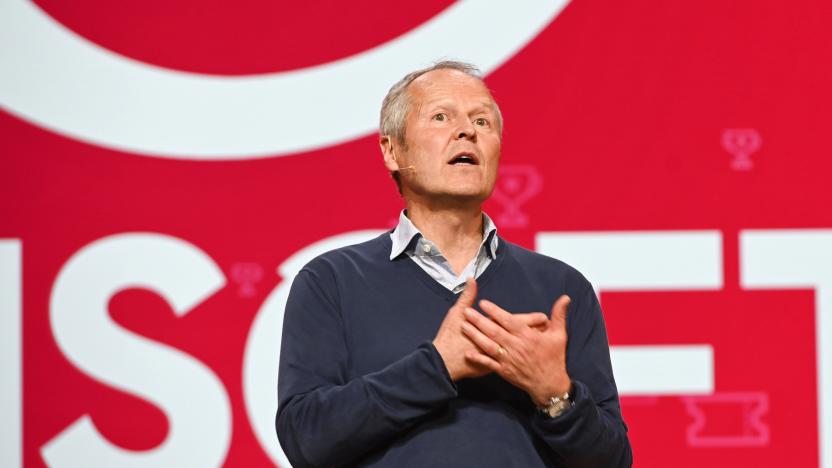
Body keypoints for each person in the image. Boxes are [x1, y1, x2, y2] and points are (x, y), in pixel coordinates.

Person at [276, 61, 633, 467]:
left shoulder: (561, 288)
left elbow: (612, 461)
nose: (467, 131)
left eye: (482, 121)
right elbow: (306, 440)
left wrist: (555, 394)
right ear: (392, 151)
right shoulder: (332, 281)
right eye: (441, 116)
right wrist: (436, 367)